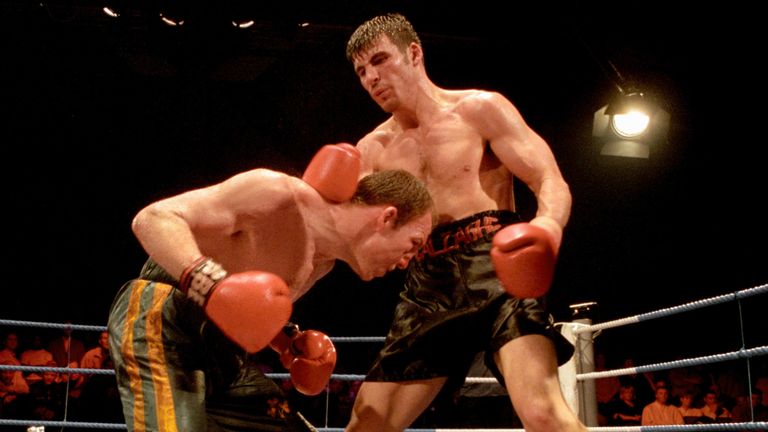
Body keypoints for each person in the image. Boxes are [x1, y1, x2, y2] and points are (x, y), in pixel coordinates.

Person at [343, 13, 586, 432]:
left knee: (543, 414)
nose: (371, 78)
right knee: (367, 425)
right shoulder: (371, 150)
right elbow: (346, 234)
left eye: (380, 60)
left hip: (498, 266)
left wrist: (547, 227)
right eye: (361, 71)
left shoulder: (479, 109)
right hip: (428, 284)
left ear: (414, 53)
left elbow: (549, 180)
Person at [107, 146, 435, 432]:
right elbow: (154, 218)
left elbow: (243, 308)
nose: (405, 262)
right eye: (412, 244)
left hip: (222, 350)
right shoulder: (277, 194)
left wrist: (287, 343)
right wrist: (210, 284)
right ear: (387, 217)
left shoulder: (323, 264)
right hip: (163, 316)